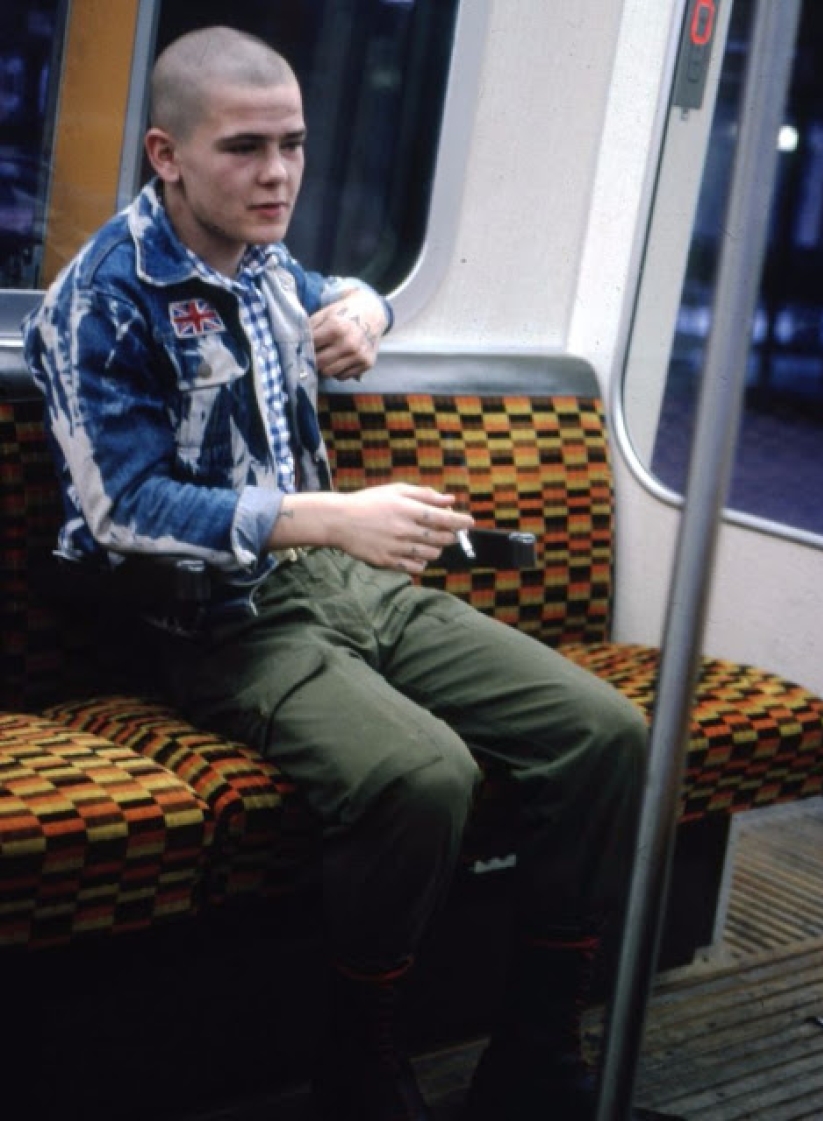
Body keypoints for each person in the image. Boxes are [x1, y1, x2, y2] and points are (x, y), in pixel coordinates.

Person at [23, 26, 663, 1121]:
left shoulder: (265, 259)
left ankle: (537, 1051)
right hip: (208, 621)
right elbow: (120, 511)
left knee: (603, 732)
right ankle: (359, 1067)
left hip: (343, 584)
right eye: (245, 149)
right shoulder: (102, 302)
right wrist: (333, 517)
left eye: (295, 145)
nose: (278, 175)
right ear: (166, 155)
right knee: (421, 776)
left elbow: (350, 288)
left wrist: (368, 307)